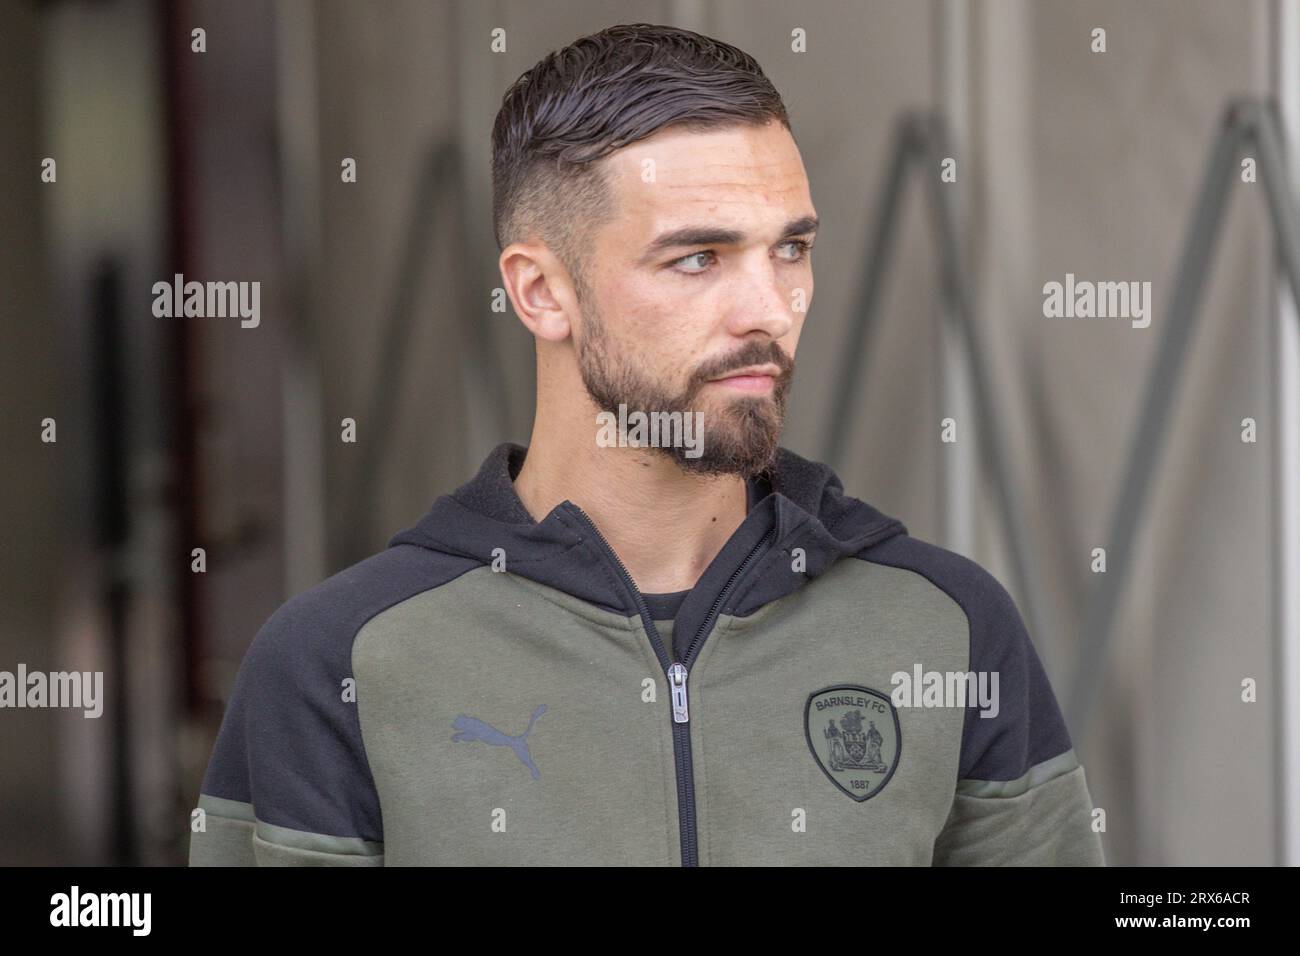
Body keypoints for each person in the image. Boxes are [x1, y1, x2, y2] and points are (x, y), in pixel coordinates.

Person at [189, 22, 1104, 866]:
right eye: (698, 258)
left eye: (790, 249)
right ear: (541, 292)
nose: (770, 311)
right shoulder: (337, 663)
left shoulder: (948, 627)